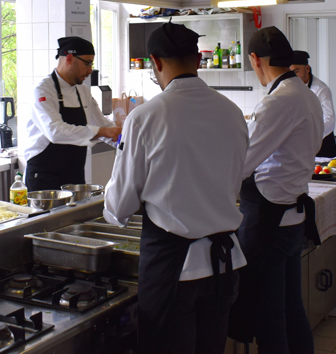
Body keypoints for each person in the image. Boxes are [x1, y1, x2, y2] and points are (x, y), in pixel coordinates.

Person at [104, 22, 248, 354]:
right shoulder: (232, 112)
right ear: (197, 60)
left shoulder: (146, 117)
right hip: (224, 265)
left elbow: (120, 204)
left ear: (155, 62)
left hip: (174, 269)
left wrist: (113, 213)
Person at [229, 26, 323, 354]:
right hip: (292, 219)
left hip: (269, 224)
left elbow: (241, 163)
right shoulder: (306, 95)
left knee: (267, 316)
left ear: (255, 59)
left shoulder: (278, 102)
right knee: (291, 309)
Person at [24, 36, 121, 191]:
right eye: (87, 63)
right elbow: (55, 131)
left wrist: (125, 141)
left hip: (74, 175)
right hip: (44, 177)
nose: (90, 70)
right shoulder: (43, 91)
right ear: (69, 58)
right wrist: (103, 131)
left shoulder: (83, 91)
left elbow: (103, 125)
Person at [290, 50, 336, 157]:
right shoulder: (291, 88)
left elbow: (329, 120)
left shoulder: (321, 89)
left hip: (322, 144)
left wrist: (312, 136)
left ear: (307, 68)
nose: (294, 77)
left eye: (296, 71)